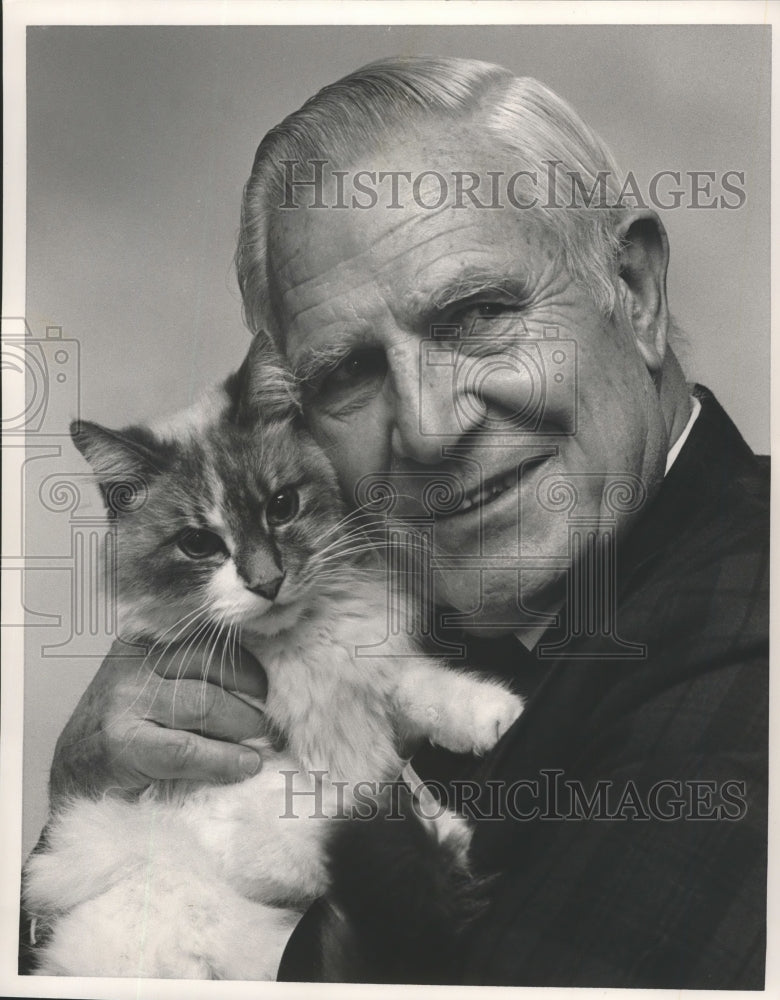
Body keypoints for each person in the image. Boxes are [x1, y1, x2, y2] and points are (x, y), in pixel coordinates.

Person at [30, 57, 768, 987]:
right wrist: (99, 805)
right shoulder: (405, 599)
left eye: (477, 315)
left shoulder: (747, 648)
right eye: (347, 374)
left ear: (637, 292)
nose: (427, 426)